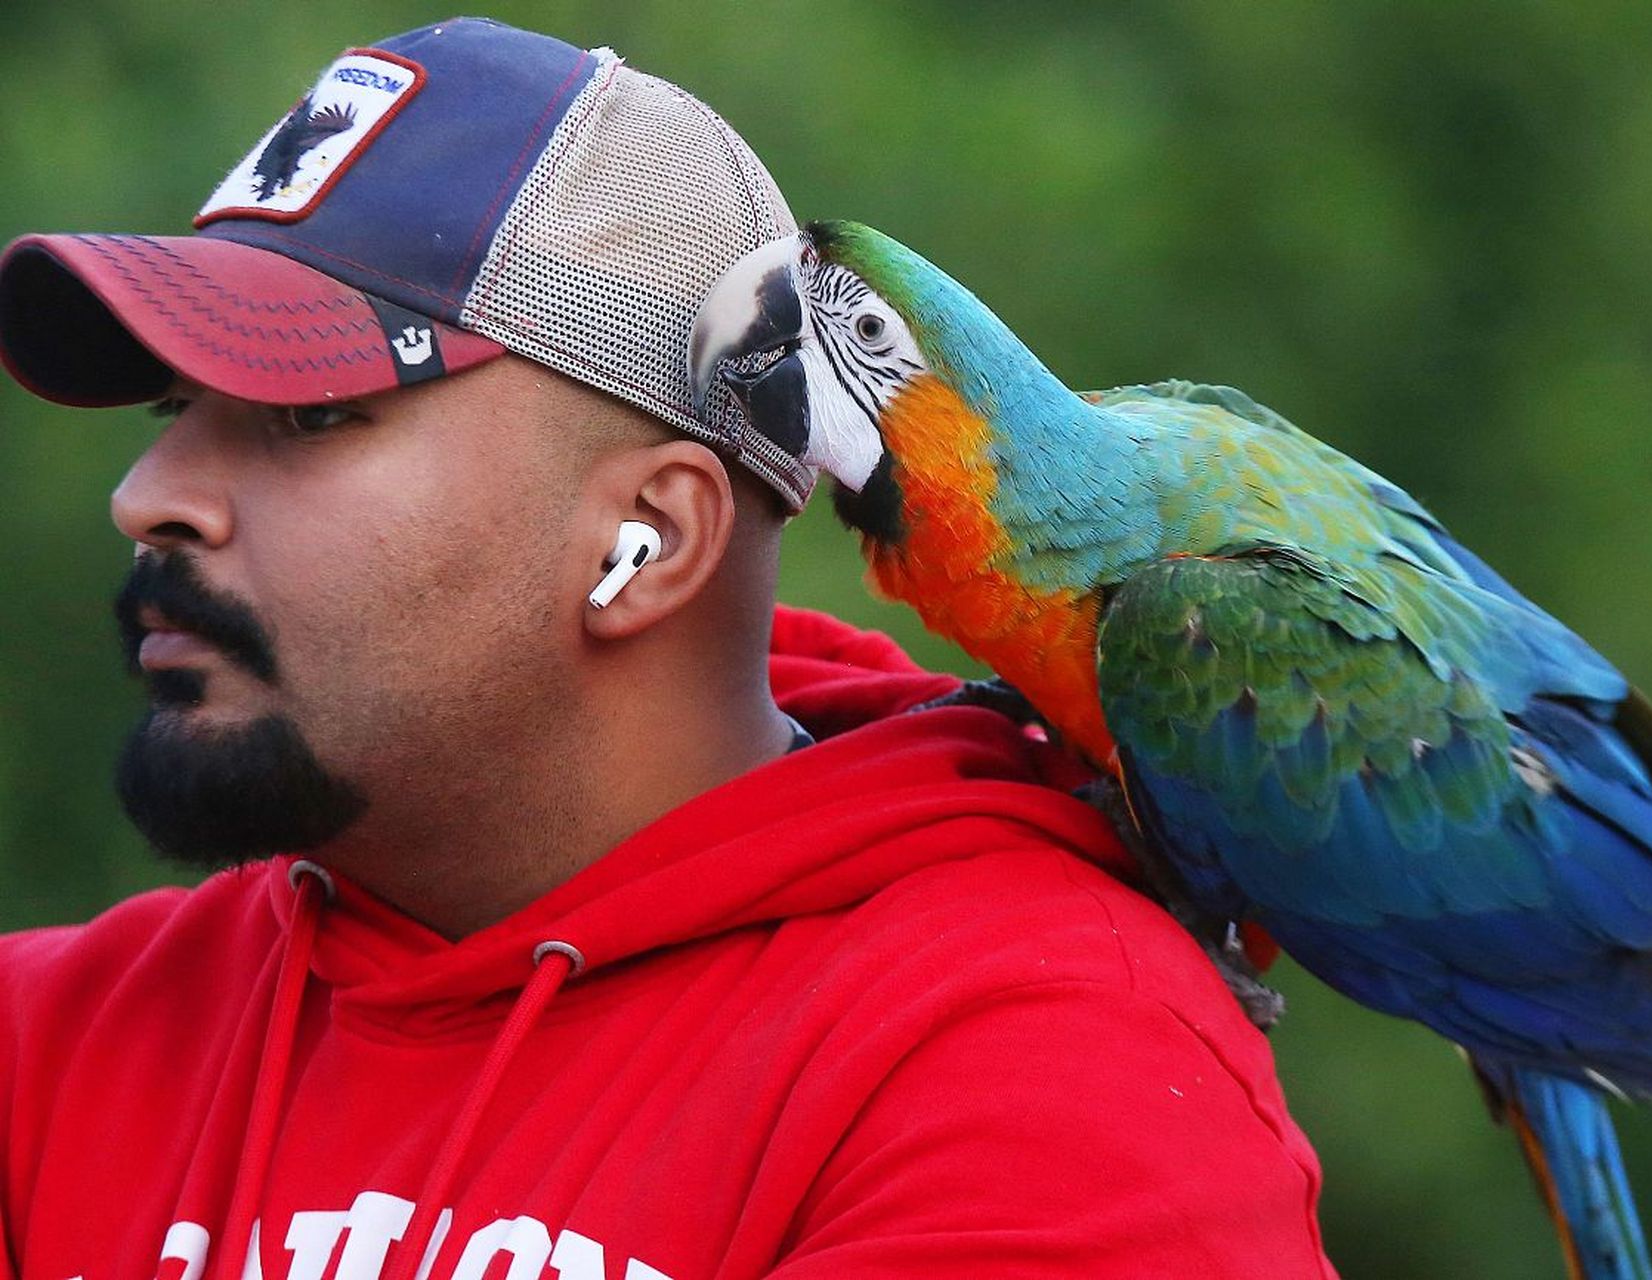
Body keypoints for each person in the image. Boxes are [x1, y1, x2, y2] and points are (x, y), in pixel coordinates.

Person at [0, 18, 1335, 1279]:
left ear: (645, 540)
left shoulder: (1042, 1074)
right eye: (181, 402)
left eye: (313, 419)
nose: (150, 493)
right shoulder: (48, 1047)